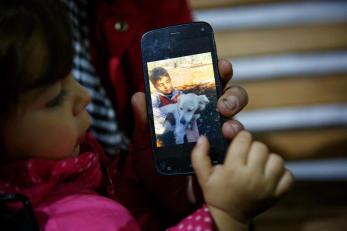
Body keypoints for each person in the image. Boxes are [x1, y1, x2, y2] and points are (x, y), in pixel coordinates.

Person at [0, 1, 294, 230]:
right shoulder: (74, 220)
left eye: (70, 77)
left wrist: (148, 188)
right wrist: (226, 217)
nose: (84, 96)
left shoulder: (79, 165)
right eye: (55, 98)